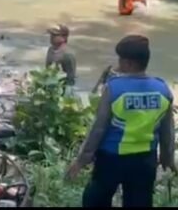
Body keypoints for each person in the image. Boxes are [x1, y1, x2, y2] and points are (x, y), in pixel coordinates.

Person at [66, 35, 175, 208]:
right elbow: (167, 131)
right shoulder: (163, 89)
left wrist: (82, 160)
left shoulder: (114, 88)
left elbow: (98, 129)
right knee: (139, 202)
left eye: (120, 59)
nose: (118, 64)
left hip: (111, 159)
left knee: (95, 200)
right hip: (145, 160)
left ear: (129, 63)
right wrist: (167, 159)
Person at [45, 24, 77, 93]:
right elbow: (47, 70)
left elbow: (71, 80)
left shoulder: (68, 54)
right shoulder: (50, 50)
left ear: (64, 37)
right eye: (51, 35)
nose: (51, 37)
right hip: (50, 87)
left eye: (55, 35)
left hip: (62, 89)